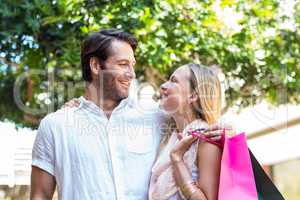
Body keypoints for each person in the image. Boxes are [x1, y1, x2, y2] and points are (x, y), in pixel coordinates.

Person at [30, 29, 227, 200]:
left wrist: (226, 129)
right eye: (123, 64)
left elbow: (197, 120)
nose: (132, 73)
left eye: (132, 64)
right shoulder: (55, 126)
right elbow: (40, 195)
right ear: (96, 66)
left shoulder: (156, 117)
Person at [149, 63, 223, 200]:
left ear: (193, 96)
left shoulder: (207, 138)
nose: (163, 86)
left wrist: (177, 158)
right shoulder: (170, 137)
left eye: (174, 81)